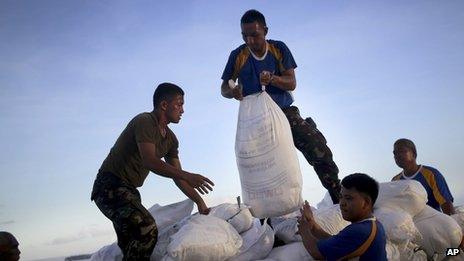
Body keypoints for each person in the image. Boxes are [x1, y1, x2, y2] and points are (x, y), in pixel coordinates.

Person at [220, 9, 341, 203]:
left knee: (317, 148)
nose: (250, 41)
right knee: (260, 170)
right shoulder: (238, 55)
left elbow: (291, 82)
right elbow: (224, 88)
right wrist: (232, 92)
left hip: (284, 112)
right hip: (256, 121)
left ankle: (338, 196)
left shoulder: (278, 48)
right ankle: (267, 221)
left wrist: (273, 79)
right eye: (245, 36)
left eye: (254, 35)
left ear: (265, 31)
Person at [91, 83, 215, 260]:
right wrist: (188, 175)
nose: (183, 110)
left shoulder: (171, 139)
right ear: (164, 105)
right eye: (179, 104)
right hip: (109, 187)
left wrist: (200, 202)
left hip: (129, 191)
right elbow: (149, 161)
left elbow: (177, 176)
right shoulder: (145, 121)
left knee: (131, 244)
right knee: (146, 229)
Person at [297, 173, 387, 260]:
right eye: (341, 197)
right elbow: (335, 242)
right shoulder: (373, 225)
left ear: (366, 203)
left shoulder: (359, 231)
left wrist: (304, 230)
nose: (342, 203)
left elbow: (317, 252)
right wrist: (312, 223)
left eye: (348, 198)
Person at [392, 138, 455, 215]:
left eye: (402, 151)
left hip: (432, 223)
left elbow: (446, 204)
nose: (398, 155)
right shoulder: (395, 181)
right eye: (395, 153)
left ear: (414, 154)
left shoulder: (431, 174)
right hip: (408, 225)